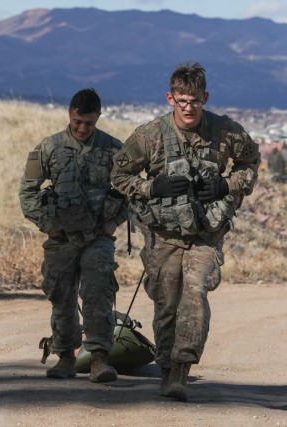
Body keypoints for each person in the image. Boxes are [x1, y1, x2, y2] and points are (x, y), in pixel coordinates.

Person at [110, 63, 260, 401]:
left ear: (205, 98)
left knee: (195, 293)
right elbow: (119, 177)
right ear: (170, 98)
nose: (188, 107)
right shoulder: (149, 136)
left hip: (206, 235)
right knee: (166, 304)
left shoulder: (226, 132)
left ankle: (181, 369)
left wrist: (226, 183)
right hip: (162, 236)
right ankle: (166, 369)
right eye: (181, 101)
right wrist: (153, 187)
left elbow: (250, 163)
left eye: (194, 100)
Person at [19, 88, 128, 382]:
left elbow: (131, 189)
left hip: (97, 238)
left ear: (98, 118)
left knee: (97, 296)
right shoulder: (48, 148)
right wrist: (47, 224)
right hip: (61, 238)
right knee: (62, 298)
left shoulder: (114, 150)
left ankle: (99, 360)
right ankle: (65, 358)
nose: (82, 128)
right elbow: (27, 192)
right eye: (78, 121)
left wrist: (115, 221)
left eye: (89, 123)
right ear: (70, 114)